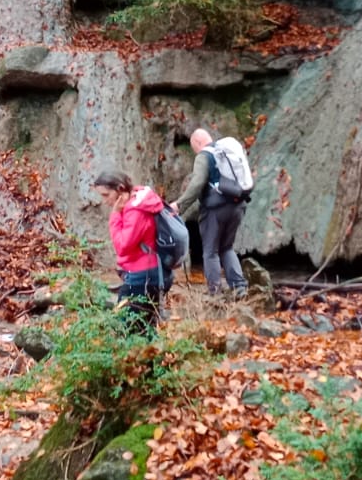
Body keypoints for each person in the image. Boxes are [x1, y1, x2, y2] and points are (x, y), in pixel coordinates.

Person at [171, 128, 252, 295]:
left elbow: (197, 183)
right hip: (237, 205)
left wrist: (179, 205)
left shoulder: (204, 156)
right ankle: (239, 287)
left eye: (193, 147)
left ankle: (215, 292)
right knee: (227, 247)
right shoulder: (226, 153)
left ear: (198, 142)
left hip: (215, 210)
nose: (195, 151)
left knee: (210, 251)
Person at [92, 171, 165, 331]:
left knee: (129, 328)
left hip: (142, 276)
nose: (105, 201)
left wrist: (115, 215)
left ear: (120, 189)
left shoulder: (135, 211)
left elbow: (122, 247)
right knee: (144, 327)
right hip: (147, 272)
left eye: (106, 195)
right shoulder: (138, 201)